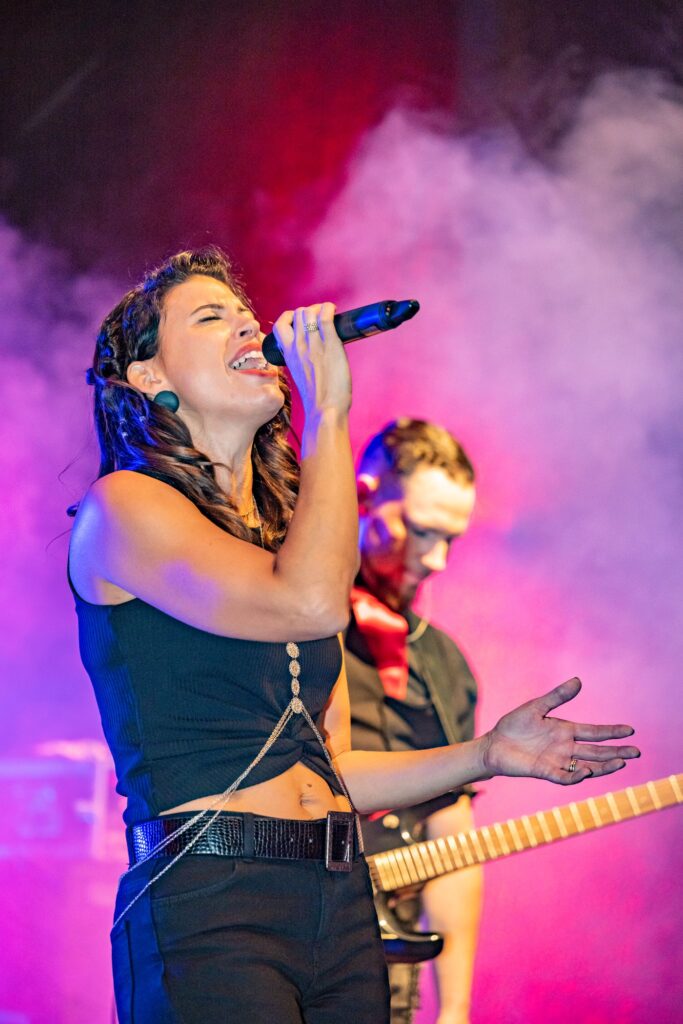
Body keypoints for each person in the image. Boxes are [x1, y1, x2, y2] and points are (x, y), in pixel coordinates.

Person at [66, 247, 639, 1024]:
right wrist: (330, 413)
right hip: (210, 899)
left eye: (248, 317)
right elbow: (308, 605)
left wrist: (483, 755)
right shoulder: (122, 508)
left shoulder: (285, 539)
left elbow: (333, 767)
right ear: (149, 376)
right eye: (211, 318)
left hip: (337, 900)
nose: (249, 328)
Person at [346, 419, 480, 1024]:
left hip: (385, 966)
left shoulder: (444, 662)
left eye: (451, 539)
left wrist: (454, 1011)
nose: (437, 560)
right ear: (364, 496)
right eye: (422, 530)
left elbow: (452, 840)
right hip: (270, 942)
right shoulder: (286, 615)